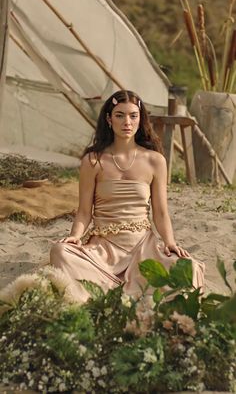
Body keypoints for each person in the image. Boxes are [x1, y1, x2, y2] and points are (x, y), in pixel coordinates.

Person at [50, 90, 204, 303]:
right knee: (60, 251)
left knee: (189, 268)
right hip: (103, 247)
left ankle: (121, 290)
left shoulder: (155, 161)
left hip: (142, 246)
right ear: (109, 118)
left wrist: (170, 242)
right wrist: (76, 235)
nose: (127, 122)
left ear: (140, 120)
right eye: (120, 115)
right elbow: (85, 211)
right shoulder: (93, 160)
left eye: (133, 115)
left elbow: (160, 212)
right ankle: (111, 290)